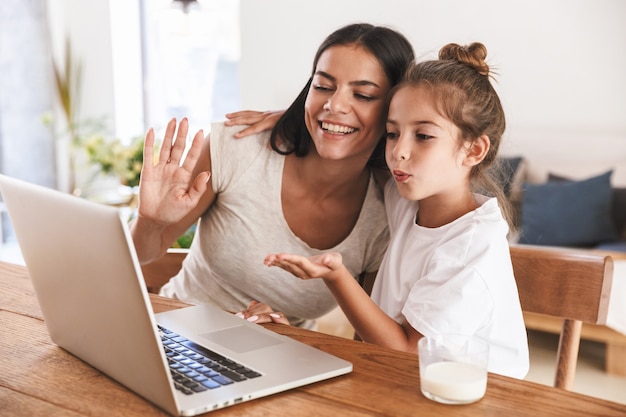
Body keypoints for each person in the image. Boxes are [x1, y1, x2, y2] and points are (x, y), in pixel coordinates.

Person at [263, 42, 530, 378]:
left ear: (473, 149)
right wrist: (289, 122)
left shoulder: (469, 249)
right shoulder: (405, 197)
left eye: (423, 136)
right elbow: (354, 140)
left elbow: (406, 352)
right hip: (397, 382)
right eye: (392, 133)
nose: (399, 152)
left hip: (476, 399)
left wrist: (336, 275)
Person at [130, 23, 415, 329]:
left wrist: (284, 337)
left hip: (288, 362)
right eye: (322, 87)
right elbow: (144, 254)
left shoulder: (388, 213)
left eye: (363, 94)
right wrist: (150, 221)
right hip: (177, 334)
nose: (334, 105)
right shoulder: (238, 148)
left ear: (394, 109)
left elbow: (369, 343)